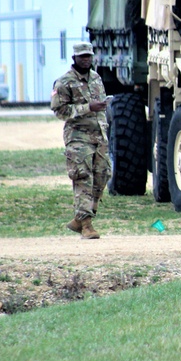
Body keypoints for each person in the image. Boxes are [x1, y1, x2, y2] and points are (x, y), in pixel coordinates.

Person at [50, 42, 111, 239]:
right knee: (83, 177)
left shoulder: (96, 78)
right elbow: (60, 111)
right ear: (74, 58)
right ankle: (86, 225)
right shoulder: (64, 82)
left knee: (102, 175)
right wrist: (87, 108)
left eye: (89, 56)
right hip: (78, 137)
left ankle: (80, 218)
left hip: (99, 134)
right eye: (82, 56)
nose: (86, 59)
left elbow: (100, 108)